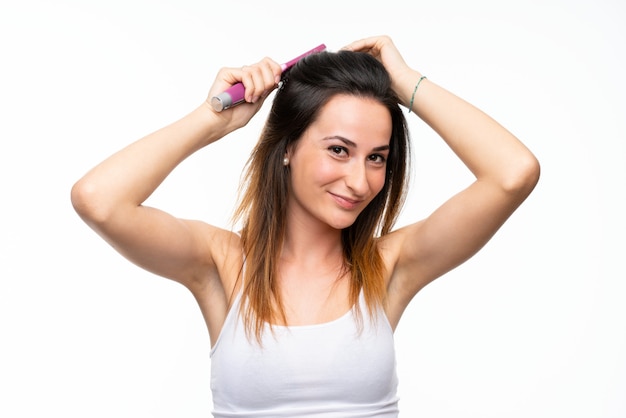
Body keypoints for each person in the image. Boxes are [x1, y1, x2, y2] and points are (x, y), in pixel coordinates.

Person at [71, 35, 540, 417]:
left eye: (376, 157)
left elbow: (513, 173)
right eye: (339, 149)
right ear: (288, 148)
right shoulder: (220, 263)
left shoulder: (390, 266)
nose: (359, 181)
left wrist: (405, 82)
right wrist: (210, 121)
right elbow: (99, 201)